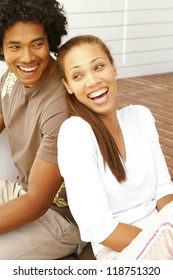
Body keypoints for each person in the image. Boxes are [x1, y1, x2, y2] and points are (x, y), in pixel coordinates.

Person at [57, 34, 173, 260]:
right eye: (78, 75)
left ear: (113, 68)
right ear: (68, 86)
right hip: (122, 253)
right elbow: (100, 228)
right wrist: (160, 244)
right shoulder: (76, 133)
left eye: (99, 67)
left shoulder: (140, 117)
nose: (92, 81)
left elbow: (164, 191)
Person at [0, 0, 85, 260]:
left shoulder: (61, 103)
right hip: (19, 190)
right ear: (2, 48)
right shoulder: (13, 74)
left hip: (59, 218)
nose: (27, 57)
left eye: (37, 44)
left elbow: (37, 202)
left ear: (50, 40)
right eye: (15, 46)